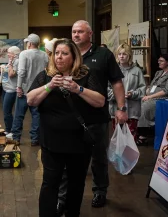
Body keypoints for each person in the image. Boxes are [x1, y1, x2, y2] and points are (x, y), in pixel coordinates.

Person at [27, 38, 106, 217]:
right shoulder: (45, 75)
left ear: (74, 57)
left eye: (64, 53)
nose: (59, 57)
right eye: (57, 53)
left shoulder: (87, 75)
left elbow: (100, 101)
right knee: (50, 182)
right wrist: (49, 86)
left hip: (79, 142)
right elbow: (31, 100)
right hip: (51, 142)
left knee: (76, 183)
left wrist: (78, 89)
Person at [56, 21, 128, 215]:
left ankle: (100, 191)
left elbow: (117, 83)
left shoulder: (103, 55)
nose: (76, 35)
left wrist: (121, 108)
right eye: (73, 31)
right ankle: (62, 198)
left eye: (80, 32)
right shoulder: (67, 54)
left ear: (90, 34)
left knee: (98, 158)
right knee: (66, 159)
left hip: (96, 116)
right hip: (70, 118)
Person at [11, 33, 49, 146]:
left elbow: (21, 71)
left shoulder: (24, 54)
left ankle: (16, 138)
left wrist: (18, 87)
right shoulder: (44, 55)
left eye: (27, 42)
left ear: (30, 43)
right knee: (36, 115)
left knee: (19, 114)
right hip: (39, 90)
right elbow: (47, 71)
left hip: (25, 89)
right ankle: (35, 139)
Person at [108, 43, 146, 142]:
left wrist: (132, 94)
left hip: (132, 111)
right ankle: (118, 158)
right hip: (116, 110)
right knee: (117, 140)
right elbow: (106, 89)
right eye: (119, 54)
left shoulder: (137, 71)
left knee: (130, 140)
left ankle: (129, 158)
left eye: (124, 54)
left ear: (129, 55)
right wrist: (117, 95)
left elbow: (142, 89)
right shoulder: (112, 70)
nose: (121, 56)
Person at [137, 53, 168, 145]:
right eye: (159, 60)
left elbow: (167, 91)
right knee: (137, 102)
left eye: (161, 61)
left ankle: (143, 136)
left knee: (145, 106)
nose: (158, 62)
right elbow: (151, 84)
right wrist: (147, 90)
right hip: (150, 96)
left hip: (162, 98)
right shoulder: (158, 72)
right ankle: (137, 131)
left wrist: (150, 96)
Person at [0, 46, 21, 134]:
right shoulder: (11, 61)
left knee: (7, 111)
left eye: (9, 52)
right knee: (5, 110)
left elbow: (11, 74)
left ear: (14, 54)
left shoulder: (17, 61)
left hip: (11, 90)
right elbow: (7, 69)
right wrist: (1, 68)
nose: (8, 54)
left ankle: (10, 130)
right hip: (6, 89)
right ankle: (9, 129)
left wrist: (10, 64)